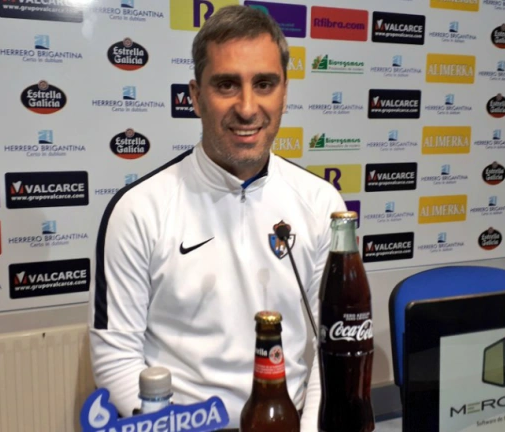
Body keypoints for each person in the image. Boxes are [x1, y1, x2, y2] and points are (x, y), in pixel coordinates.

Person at [89, 6, 345, 430]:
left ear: (284, 93)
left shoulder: (321, 203)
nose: (247, 107)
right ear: (195, 96)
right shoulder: (137, 209)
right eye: (227, 84)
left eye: (264, 84)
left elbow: (330, 346)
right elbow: (115, 359)